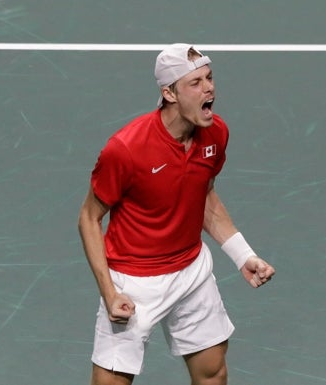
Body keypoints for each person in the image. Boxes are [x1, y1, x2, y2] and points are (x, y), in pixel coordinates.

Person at [78, 43, 275, 385]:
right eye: (195, 82)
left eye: (210, 78)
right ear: (169, 93)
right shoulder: (126, 149)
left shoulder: (216, 134)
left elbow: (205, 196)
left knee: (212, 373)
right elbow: (89, 218)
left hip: (191, 272)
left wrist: (242, 254)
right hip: (134, 280)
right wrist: (110, 292)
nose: (209, 87)